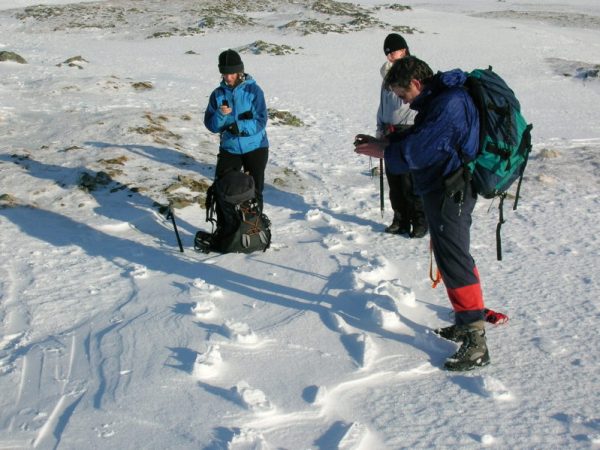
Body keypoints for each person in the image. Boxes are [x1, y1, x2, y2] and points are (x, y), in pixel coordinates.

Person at [354, 56, 489, 371]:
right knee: (450, 255)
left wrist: (383, 151)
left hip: (452, 189)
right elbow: (421, 135)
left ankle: (476, 340)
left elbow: (420, 148)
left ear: (416, 83)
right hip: (443, 187)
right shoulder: (439, 101)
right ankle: (466, 321)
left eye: (403, 94)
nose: (403, 101)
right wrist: (384, 141)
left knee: (455, 258)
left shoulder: (448, 103)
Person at [204, 49, 269, 211]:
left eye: (232, 73)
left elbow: (261, 120)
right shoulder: (217, 94)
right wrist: (220, 115)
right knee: (222, 190)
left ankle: (254, 225)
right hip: (230, 148)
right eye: (225, 74)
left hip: (256, 147)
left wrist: (239, 127)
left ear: (240, 71)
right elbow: (211, 125)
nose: (228, 77)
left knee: (255, 192)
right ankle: (225, 225)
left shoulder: (253, 91)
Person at [376, 33, 427, 238]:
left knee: (410, 181)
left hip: (408, 129)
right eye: (387, 53)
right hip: (390, 130)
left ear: (404, 50)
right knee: (395, 181)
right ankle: (401, 219)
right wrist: (380, 128)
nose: (389, 56)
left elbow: (411, 102)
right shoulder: (387, 77)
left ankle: (420, 220)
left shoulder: (413, 72)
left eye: (393, 52)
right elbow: (383, 105)